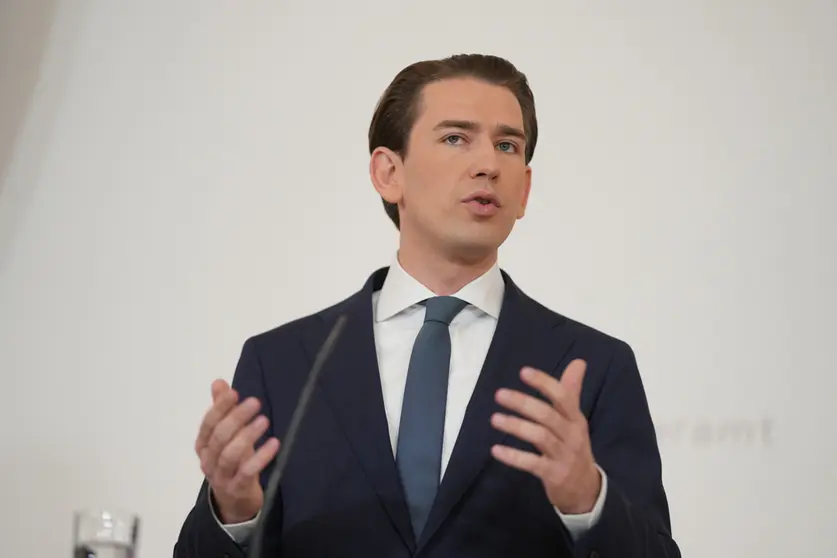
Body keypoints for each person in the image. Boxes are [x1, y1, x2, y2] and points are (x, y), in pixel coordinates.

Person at [174, 53, 681, 558]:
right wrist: (235, 515)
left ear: (524, 190)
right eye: (455, 138)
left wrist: (586, 501)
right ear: (388, 172)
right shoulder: (283, 363)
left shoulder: (593, 367)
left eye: (507, 145)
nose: (488, 164)